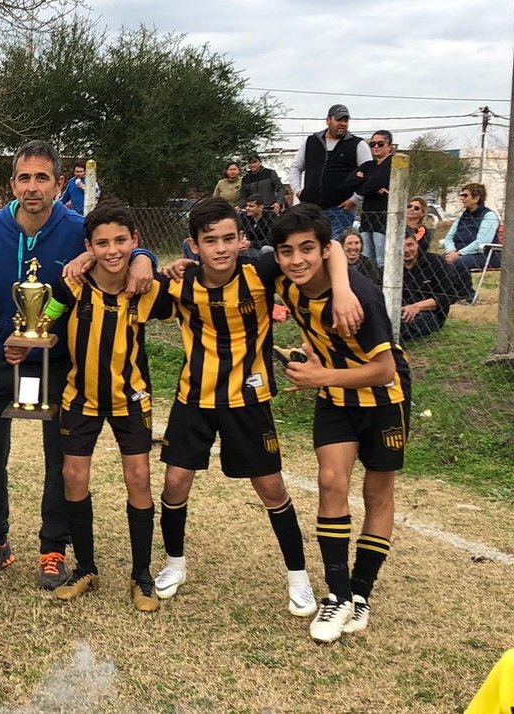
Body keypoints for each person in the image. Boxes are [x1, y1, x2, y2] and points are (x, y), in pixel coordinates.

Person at [0, 140, 156, 589]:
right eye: (24, 178)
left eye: (42, 177)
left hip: (61, 362)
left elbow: (117, 247)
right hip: (4, 353)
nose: (33, 187)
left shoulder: (78, 229)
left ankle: (54, 548)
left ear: (60, 184)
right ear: (12, 184)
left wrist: (142, 258)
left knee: (60, 457)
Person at [154, 197, 362, 621]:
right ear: (193, 245)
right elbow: (139, 282)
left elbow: (334, 248)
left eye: (229, 238)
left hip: (248, 401)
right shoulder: (180, 283)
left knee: (271, 489)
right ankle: (174, 563)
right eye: (210, 240)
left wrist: (342, 288)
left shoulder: (261, 271)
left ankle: (298, 577)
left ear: (241, 239)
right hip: (193, 399)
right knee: (175, 482)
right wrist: (150, 264)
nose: (221, 248)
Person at [271, 203, 412, 644]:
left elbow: (385, 370)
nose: (297, 260)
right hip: (335, 396)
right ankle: (338, 593)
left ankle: (362, 593)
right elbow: (226, 255)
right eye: (287, 251)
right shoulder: (283, 277)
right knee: (331, 482)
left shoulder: (361, 297)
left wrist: (319, 377)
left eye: (307, 249)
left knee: (376, 492)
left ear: (323, 249)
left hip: (384, 397)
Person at [46, 204, 173, 610]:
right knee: (73, 475)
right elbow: (43, 320)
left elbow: (187, 307)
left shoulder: (147, 289)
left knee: (138, 477)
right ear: (88, 246)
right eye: (101, 243)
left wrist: (150, 262)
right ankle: (86, 568)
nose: (112, 250)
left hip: (130, 398)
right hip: (79, 397)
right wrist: (27, 336)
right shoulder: (72, 284)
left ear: (135, 241)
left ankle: (141, 575)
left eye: (121, 241)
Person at [288, 104, 371, 240]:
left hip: (340, 211)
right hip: (310, 211)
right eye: (339, 120)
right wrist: (297, 190)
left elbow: (369, 174)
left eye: (346, 120)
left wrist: (354, 200)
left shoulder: (357, 144)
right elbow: (295, 167)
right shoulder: (311, 142)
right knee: (311, 248)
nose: (343, 124)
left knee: (334, 250)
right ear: (328, 120)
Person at [399, 227, 472, 340]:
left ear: (417, 244)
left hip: (429, 313)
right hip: (399, 310)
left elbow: (449, 296)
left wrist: (416, 307)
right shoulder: (390, 266)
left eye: (410, 245)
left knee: (402, 326)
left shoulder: (435, 262)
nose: (406, 250)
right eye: (401, 246)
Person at [344, 130, 394, 267]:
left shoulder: (392, 163)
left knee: (381, 260)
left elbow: (378, 181)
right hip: (367, 218)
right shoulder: (369, 165)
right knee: (366, 259)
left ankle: (382, 287)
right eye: (373, 144)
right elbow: (350, 181)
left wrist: (366, 183)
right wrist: (371, 185)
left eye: (380, 143)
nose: (376, 147)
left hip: (382, 219)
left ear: (389, 145)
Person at [444, 183, 501, 271]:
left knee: (457, 262)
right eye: (461, 195)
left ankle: (464, 285)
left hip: (484, 255)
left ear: (476, 198)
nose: (461, 198)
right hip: (458, 253)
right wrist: (452, 251)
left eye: (465, 195)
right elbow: (448, 238)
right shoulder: (462, 216)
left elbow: (481, 242)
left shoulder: (489, 216)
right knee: (436, 261)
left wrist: (459, 254)